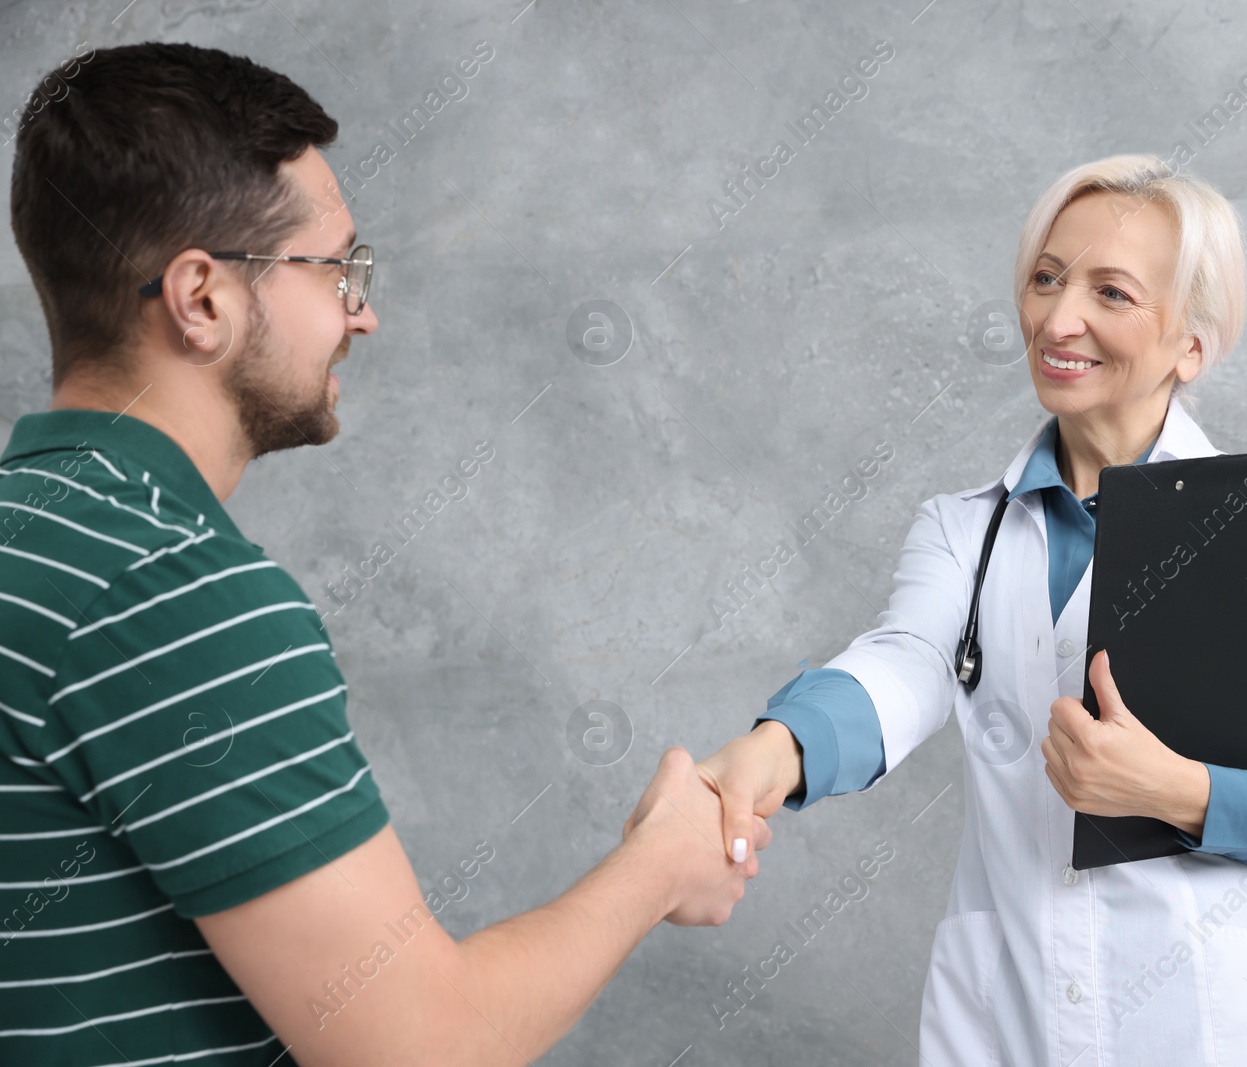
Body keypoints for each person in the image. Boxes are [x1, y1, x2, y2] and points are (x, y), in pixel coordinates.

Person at [0, 41, 768, 1067]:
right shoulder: (175, 595)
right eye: (339, 268)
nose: (364, 311)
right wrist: (661, 864)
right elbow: (419, 1045)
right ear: (202, 299)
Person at [699, 155, 1247, 1065]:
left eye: (1111, 293)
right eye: (1047, 277)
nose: (1057, 317)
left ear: (1190, 345)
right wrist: (777, 749)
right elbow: (907, 659)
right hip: (1017, 1027)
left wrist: (1179, 793)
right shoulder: (965, 532)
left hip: (1229, 1028)